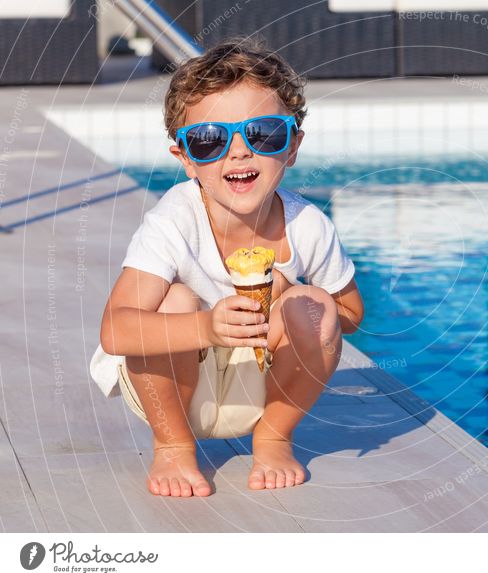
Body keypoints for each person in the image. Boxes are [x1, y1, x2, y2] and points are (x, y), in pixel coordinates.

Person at [88, 37, 364, 498]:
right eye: (210, 140)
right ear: (186, 159)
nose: (237, 152)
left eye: (263, 133)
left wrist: (287, 296)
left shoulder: (307, 226)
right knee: (174, 300)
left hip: (258, 394)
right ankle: (173, 447)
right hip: (170, 394)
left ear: (292, 146)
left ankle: (273, 437)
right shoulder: (174, 222)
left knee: (311, 304)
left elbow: (351, 315)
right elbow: (115, 332)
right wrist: (207, 327)